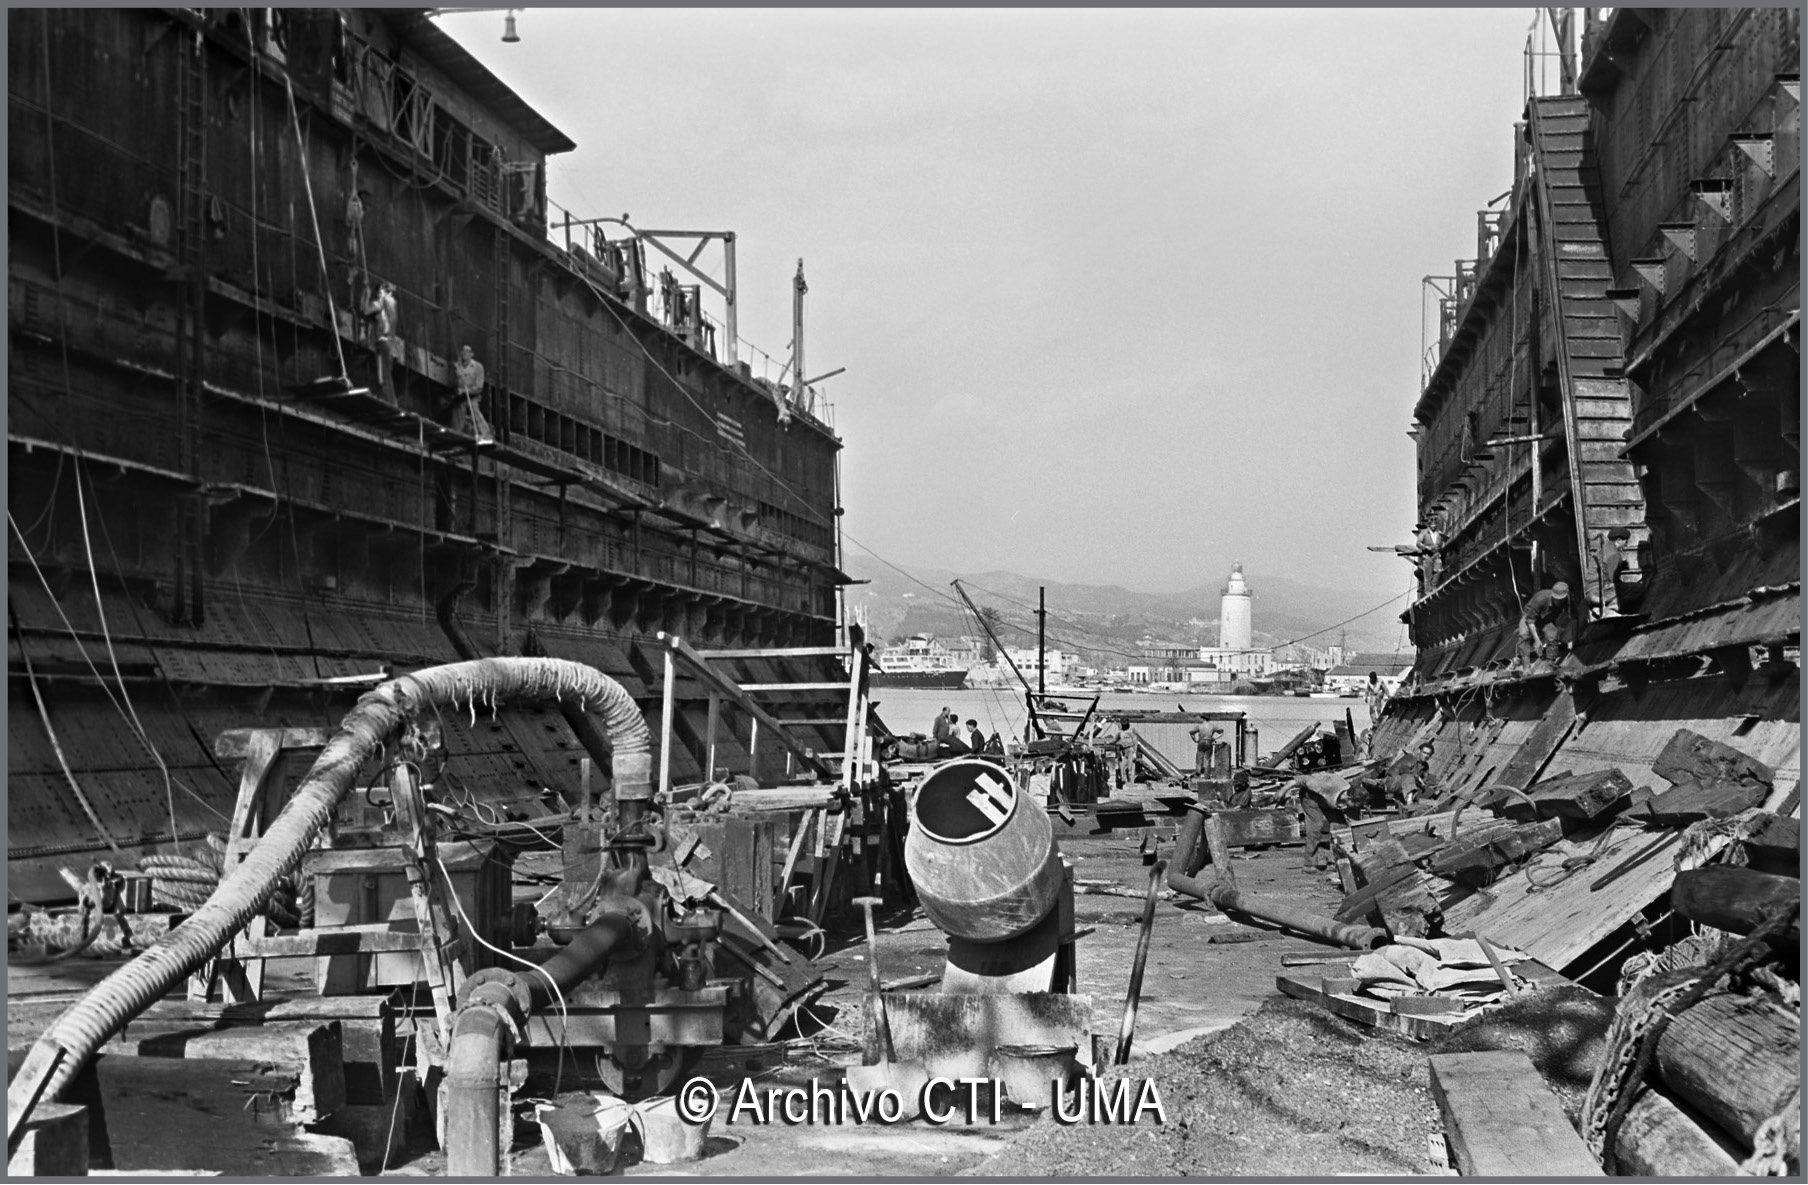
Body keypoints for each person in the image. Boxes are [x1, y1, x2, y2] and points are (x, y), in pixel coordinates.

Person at [1297, 772, 1347, 871]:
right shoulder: (1320, 783)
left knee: (1340, 827)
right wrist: (1282, 791)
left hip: (1328, 799)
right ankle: (1309, 865)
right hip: (1310, 797)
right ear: (1348, 797)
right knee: (1315, 828)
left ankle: (1335, 862)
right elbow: (1299, 779)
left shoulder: (1350, 795)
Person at [1516, 581, 1574, 667]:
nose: (1558, 601)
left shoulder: (1568, 600)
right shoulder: (1541, 599)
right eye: (1556, 599)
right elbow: (1530, 620)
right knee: (1524, 635)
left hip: (1546, 619)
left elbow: (1574, 617)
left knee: (1552, 635)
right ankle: (1526, 667)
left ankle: (1550, 663)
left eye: (1560, 599)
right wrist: (1537, 640)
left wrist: (1574, 638)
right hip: (1529, 616)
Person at [449, 344, 495, 443]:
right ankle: (456, 436)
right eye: (463, 351)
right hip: (461, 396)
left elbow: (479, 387)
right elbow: (454, 381)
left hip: (473, 396)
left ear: (471, 354)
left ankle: (486, 435)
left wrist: (466, 391)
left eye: (467, 351)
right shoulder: (458, 366)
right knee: (457, 413)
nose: (464, 353)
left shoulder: (478, 367)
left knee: (475, 411)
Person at [362, 280, 399, 397]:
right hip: (390, 345)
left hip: (382, 343)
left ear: (387, 292)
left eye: (381, 291)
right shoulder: (393, 305)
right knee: (386, 376)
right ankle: (390, 401)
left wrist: (366, 294)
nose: (378, 293)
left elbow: (365, 310)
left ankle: (390, 403)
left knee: (383, 377)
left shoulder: (383, 302)